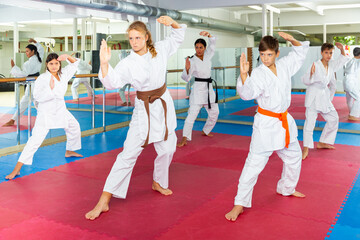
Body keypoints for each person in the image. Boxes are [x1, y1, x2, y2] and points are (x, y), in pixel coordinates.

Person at [85, 16, 186, 221]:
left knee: (168, 148)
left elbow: (178, 36)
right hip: (144, 109)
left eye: (138, 37)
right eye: (131, 38)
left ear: (147, 37)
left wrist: (173, 23)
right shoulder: (128, 63)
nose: (134, 42)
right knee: (128, 154)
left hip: (163, 105)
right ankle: (104, 198)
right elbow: (112, 82)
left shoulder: (160, 49)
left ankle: (158, 181)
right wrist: (104, 64)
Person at [225, 32, 309, 222]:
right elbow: (247, 94)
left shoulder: (285, 66)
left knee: (294, 156)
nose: (265, 58)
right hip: (266, 125)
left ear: (277, 53)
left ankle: (286, 188)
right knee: (253, 165)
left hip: (283, 122)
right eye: (262, 55)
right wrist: (244, 75)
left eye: (269, 54)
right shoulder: (259, 74)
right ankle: (239, 203)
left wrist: (292, 39)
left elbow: (299, 53)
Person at [5, 53, 83, 180]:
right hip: (46, 111)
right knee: (35, 140)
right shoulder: (42, 78)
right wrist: (50, 90)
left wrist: (67, 56)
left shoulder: (63, 75)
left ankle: (70, 150)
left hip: (61, 109)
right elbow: (37, 97)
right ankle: (17, 169)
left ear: (59, 64)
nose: (54, 66)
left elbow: (75, 64)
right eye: (51, 63)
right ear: (46, 65)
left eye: (56, 63)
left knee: (74, 126)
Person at [301, 42, 349, 160]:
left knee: (334, 118)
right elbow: (305, 80)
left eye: (331, 53)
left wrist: (342, 49)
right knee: (310, 123)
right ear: (322, 53)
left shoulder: (331, 65)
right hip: (313, 96)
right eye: (326, 52)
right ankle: (305, 148)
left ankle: (323, 142)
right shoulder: (315, 65)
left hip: (323, 96)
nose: (328, 55)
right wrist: (311, 74)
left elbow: (342, 60)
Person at [177, 31, 219, 147]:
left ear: (205, 48)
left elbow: (213, 45)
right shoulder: (191, 60)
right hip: (198, 90)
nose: (198, 49)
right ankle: (184, 138)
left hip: (209, 89)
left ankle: (206, 130)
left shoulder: (208, 55)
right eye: (196, 47)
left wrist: (210, 36)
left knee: (215, 112)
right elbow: (186, 78)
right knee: (191, 115)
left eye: (201, 47)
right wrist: (186, 68)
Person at [3, 38, 44, 127]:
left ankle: (13, 120)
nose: (26, 53)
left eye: (27, 51)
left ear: (33, 51)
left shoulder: (28, 63)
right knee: (30, 101)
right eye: (25, 51)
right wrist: (35, 42)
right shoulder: (38, 58)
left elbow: (23, 74)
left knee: (35, 101)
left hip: (33, 82)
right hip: (36, 82)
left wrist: (14, 68)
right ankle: (13, 119)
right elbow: (41, 49)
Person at [343, 47, 360, 121]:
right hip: (351, 83)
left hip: (346, 81)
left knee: (349, 99)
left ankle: (351, 112)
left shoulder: (350, 61)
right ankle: (353, 115)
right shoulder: (357, 61)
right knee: (358, 99)